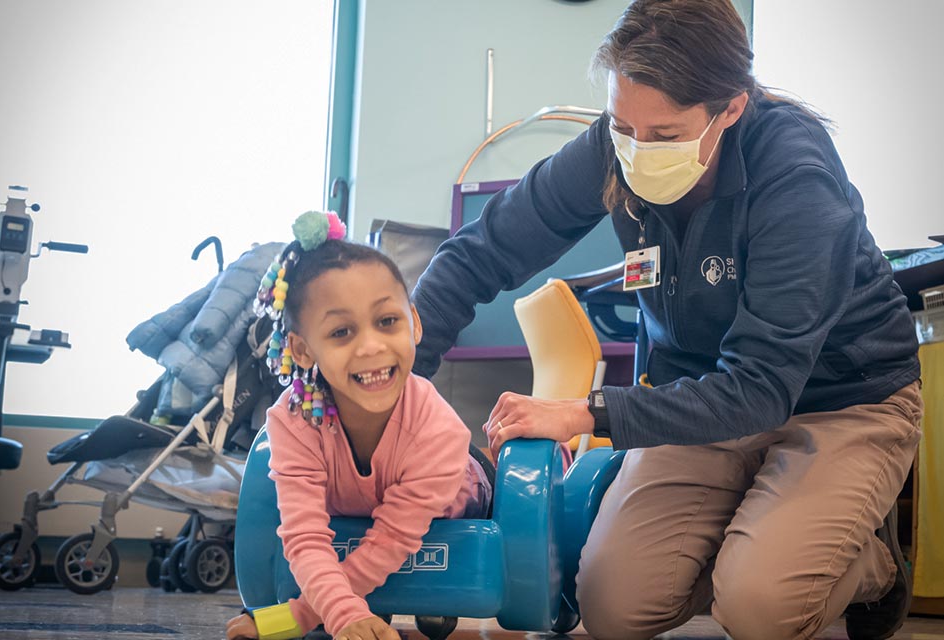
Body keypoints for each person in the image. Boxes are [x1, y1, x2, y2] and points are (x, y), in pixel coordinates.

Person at [410, 2, 922, 639]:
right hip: (694, 398)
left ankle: (868, 563)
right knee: (611, 608)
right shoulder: (616, 142)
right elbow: (486, 248)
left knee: (759, 609)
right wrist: (398, 373)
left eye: (665, 136)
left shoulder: (797, 178)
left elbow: (762, 388)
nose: (636, 152)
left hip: (840, 399)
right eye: (622, 127)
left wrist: (588, 411)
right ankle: (760, 534)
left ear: (730, 108)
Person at [226, 211, 492, 640]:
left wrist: (300, 616)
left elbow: (389, 542)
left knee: (476, 474)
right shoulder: (292, 421)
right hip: (367, 503)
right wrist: (345, 612)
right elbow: (305, 538)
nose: (371, 346)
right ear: (303, 349)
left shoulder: (439, 430)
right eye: (341, 331)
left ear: (414, 323)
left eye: (387, 321)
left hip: (461, 486)